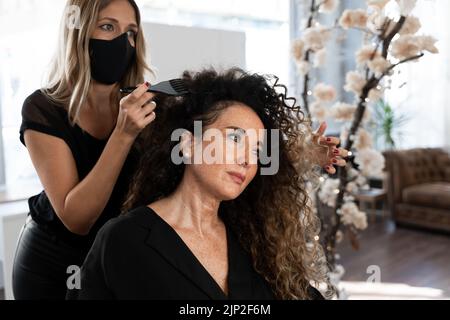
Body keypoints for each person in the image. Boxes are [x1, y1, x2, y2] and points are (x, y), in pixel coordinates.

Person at [69, 68, 349, 300]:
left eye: (256, 151)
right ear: (188, 144)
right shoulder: (125, 239)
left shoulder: (254, 239)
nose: (247, 161)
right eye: (235, 138)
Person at [13, 0, 157, 300]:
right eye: (107, 27)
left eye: (130, 32)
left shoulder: (145, 105)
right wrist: (123, 133)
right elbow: (77, 219)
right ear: (77, 33)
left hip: (116, 259)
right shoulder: (43, 109)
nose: (123, 42)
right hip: (53, 265)